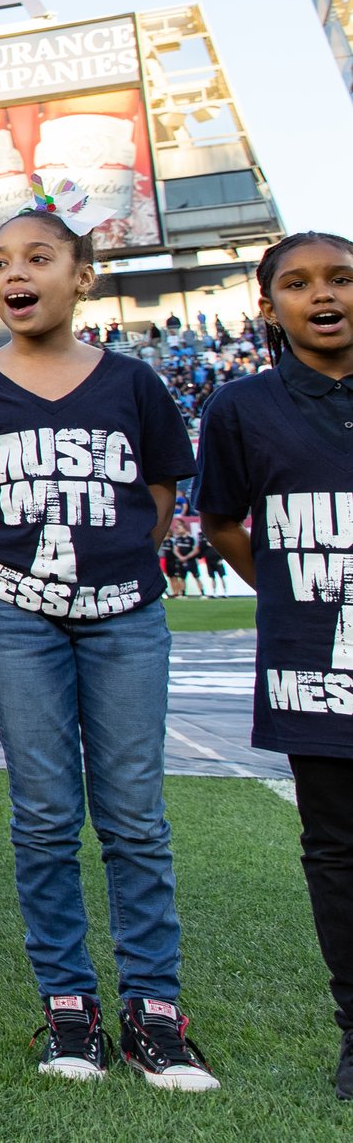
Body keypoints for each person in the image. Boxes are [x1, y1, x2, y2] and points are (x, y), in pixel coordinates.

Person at [0, 207, 214, 1090]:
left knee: (134, 816)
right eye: (1, 262)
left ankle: (155, 1013)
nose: (16, 274)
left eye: (39, 258)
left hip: (126, 615)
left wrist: (110, 574)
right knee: (46, 817)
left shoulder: (134, 384)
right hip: (16, 617)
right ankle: (68, 1007)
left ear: (82, 276)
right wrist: (23, 583)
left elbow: (159, 495)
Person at [196, 231, 353, 1099]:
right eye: (297, 283)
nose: (322, 294)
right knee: (335, 851)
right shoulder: (241, 408)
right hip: (316, 669)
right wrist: (295, 595)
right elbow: (222, 525)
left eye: (341, 278)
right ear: (269, 307)